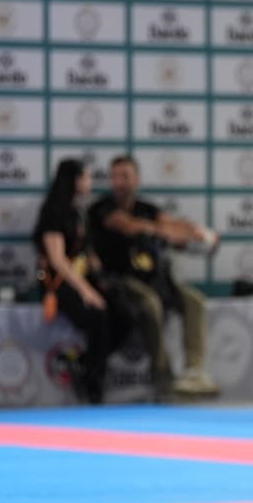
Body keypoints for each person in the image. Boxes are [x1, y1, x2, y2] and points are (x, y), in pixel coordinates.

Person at [88, 155, 220, 399]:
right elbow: (128, 226)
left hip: (156, 279)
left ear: (136, 180)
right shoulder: (101, 209)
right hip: (120, 281)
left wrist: (198, 233)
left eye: (125, 176)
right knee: (151, 303)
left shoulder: (148, 209)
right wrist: (166, 231)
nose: (119, 182)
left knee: (194, 301)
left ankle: (194, 372)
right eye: (115, 177)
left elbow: (173, 225)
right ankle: (163, 377)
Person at [32, 159, 135, 405]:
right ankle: (93, 383)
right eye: (87, 177)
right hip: (58, 283)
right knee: (98, 315)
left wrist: (102, 279)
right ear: (75, 180)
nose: (91, 182)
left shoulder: (79, 212)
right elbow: (58, 260)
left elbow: (87, 254)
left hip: (83, 278)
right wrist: (86, 291)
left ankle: (84, 364)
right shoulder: (53, 212)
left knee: (125, 314)